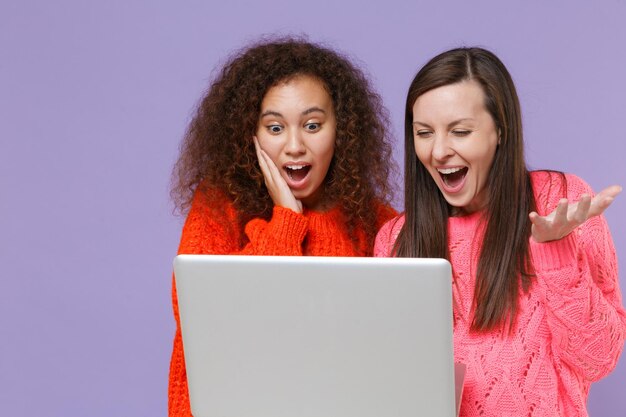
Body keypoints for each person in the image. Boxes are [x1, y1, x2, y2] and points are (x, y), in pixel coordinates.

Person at [374, 47, 626, 416]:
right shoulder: (397, 238)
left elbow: (598, 359)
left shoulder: (561, 201)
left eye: (460, 131)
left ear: (500, 131)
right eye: (423, 133)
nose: (439, 150)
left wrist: (555, 252)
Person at [168, 38, 397, 416]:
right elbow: (208, 321)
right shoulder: (218, 207)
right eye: (275, 128)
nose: (294, 146)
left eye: (312, 125)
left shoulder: (377, 224)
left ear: (341, 130)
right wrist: (286, 220)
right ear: (250, 135)